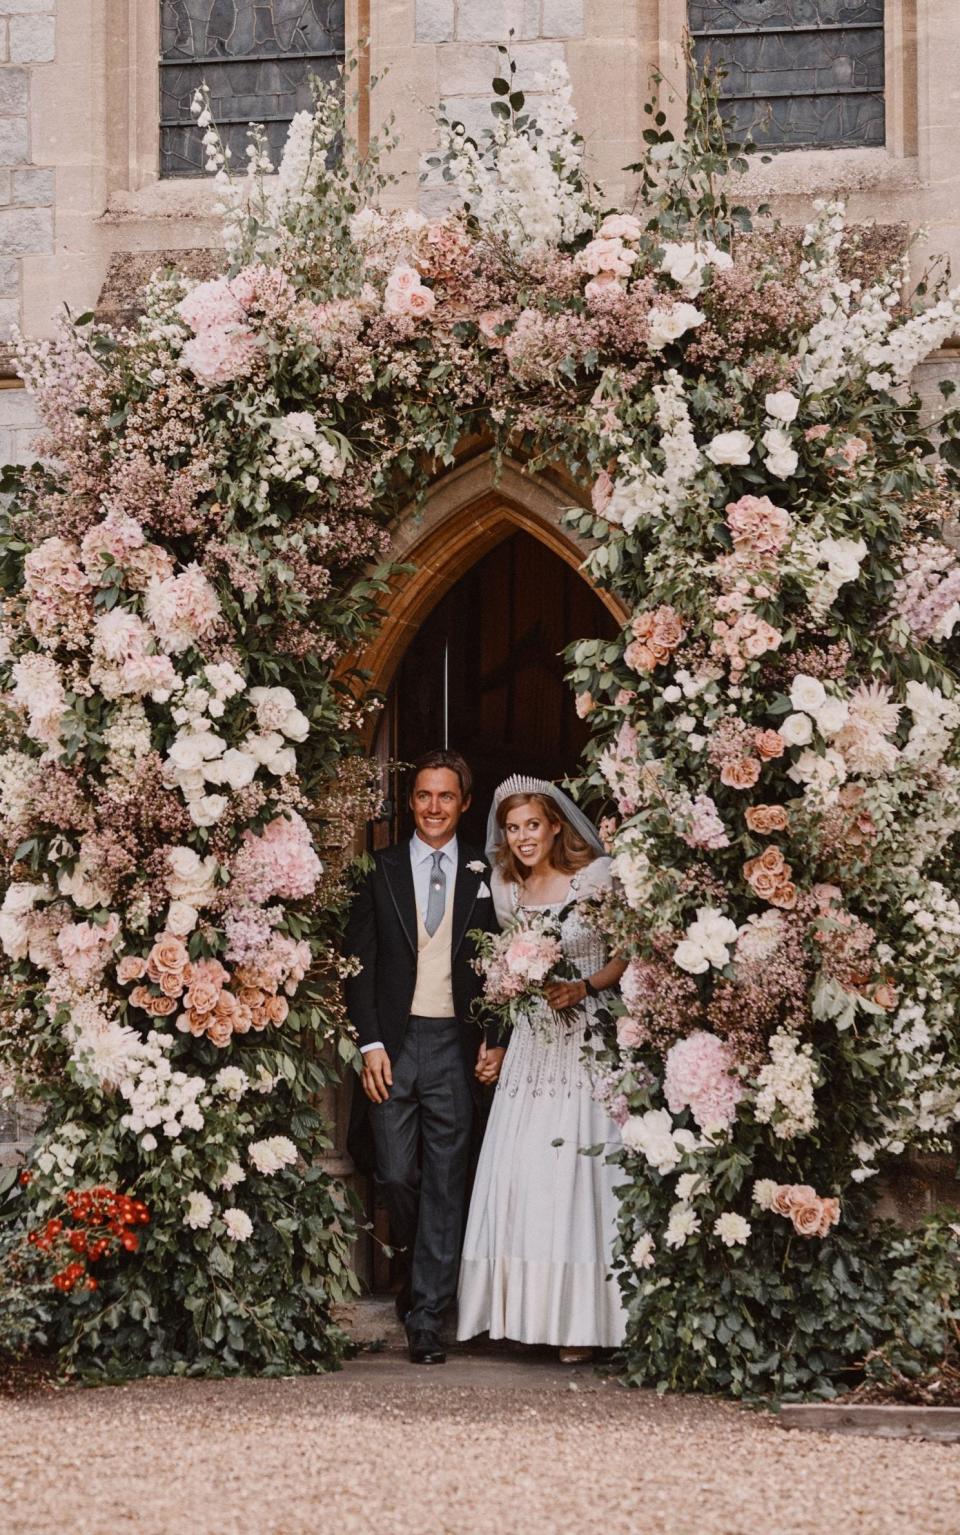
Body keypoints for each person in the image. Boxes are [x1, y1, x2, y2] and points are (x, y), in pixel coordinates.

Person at [457, 775, 629, 1361]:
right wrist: (500, 1034)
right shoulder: (507, 889)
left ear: (556, 825)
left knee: (580, 1175)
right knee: (526, 1172)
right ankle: (526, 1313)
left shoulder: (595, 879)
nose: (523, 837)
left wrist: (583, 984)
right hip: (533, 1046)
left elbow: (624, 953)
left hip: (587, 1037)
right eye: (512, 828)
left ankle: (584, 1322)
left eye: (533, 825)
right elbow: (506, 980)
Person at [343, 749, 504, 1365]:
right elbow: (358, 966)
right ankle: (416, 1271)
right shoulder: (378, 870)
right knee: (395, 1175)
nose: (433, 808)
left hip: (454, 1047)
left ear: (464, 803)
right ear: (410, 802)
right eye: (422, 796)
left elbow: (502, 968)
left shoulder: (484, 874)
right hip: (395, 1042)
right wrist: (371, 1042)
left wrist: (494, 1037)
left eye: (445, 797)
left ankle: (428, 1317)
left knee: (445, 1181)